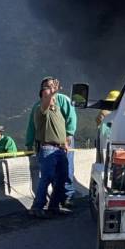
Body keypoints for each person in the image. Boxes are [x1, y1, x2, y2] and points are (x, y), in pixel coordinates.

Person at [25, 77, 76, 217]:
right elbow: (46, 102)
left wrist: (65, 142)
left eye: (52, 89)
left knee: (62, 178)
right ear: (42, 96)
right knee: (47, 177)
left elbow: (64, 125)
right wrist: (51, 94)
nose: (51, 93)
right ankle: (37, 207)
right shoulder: (41, 109)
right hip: (48, 149)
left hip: (60, 149)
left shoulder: (58, 108)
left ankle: (54, 206)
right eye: (47, 90)